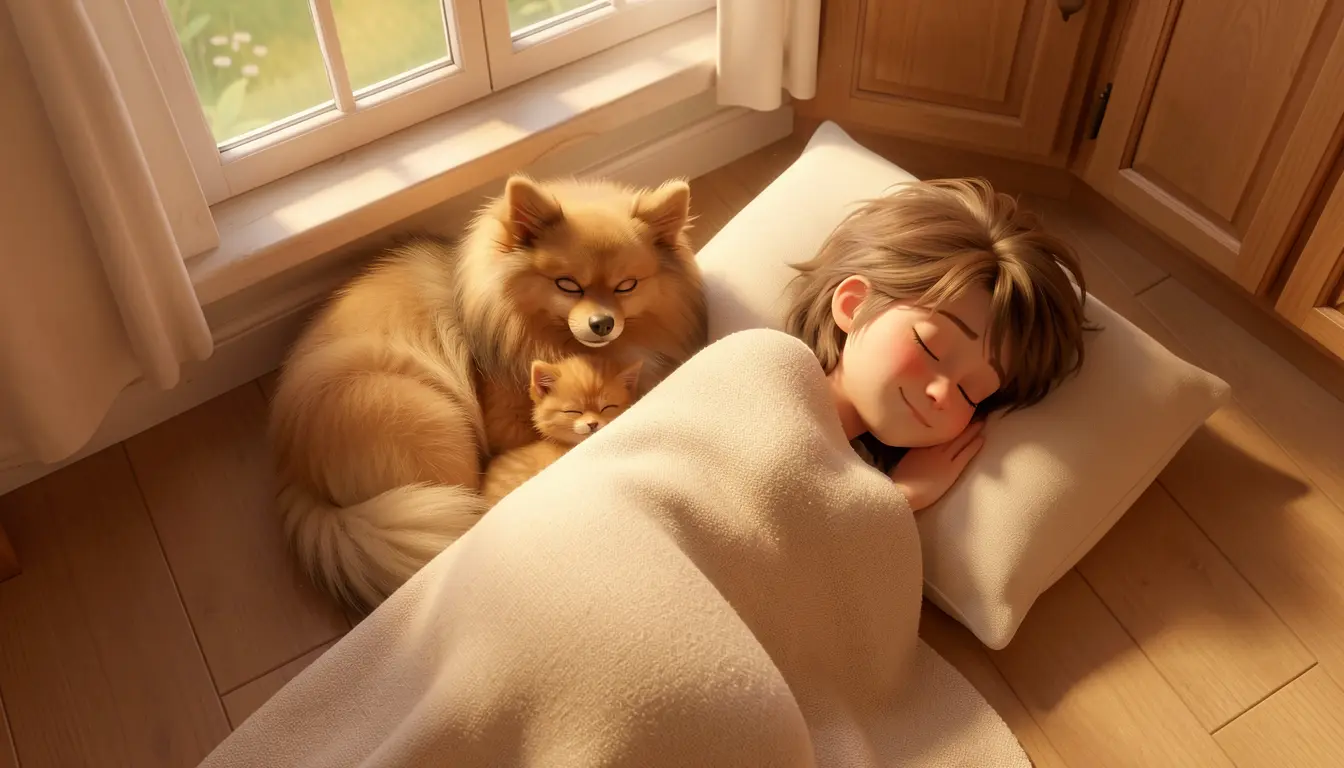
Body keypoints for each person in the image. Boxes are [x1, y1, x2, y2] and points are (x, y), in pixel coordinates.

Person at [784, 177, 1091, 511]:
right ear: (854, 304)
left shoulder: (860, 480)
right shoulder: (767, 369)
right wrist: (898, 501)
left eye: (971, 391)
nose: (944, 393)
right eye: (930, 347)